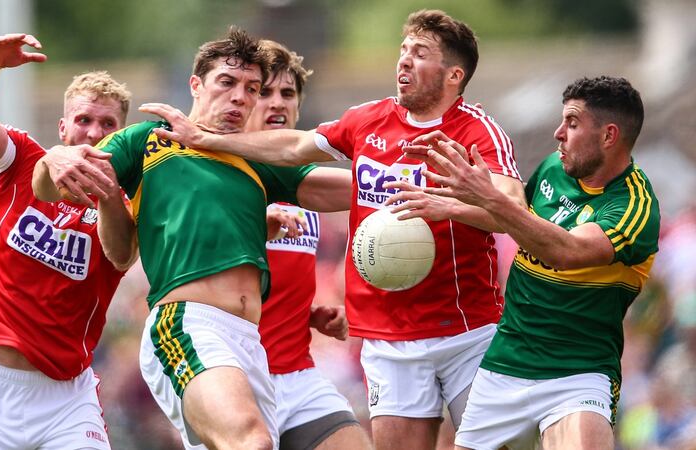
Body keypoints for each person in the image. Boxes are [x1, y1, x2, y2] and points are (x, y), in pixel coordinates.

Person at [140, 10, 525, 449]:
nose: (403, 61)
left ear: (454, 74)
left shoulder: (476, 131)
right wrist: (208, 140)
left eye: (419, 54)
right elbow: (294, 148)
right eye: (403, 51)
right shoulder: (365, 122)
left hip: (465, 331)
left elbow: (513, 208)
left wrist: (448, 203)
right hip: (375, 342)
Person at [34, 28, 350, 450]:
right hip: (187, 325)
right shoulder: (148, 140)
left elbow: (353, 187)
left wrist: (420, 181)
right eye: (228, 82)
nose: (241, 97)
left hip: (248, 342)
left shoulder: (254, 156)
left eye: (252, 88)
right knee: (251, 442)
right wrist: (53, 157)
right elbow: (46, 188)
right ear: (195, 85)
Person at [404, 76, 660, 450]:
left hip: (578, 372)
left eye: (572, 123)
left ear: (608, 136)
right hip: (505, 363)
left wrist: (490, 196)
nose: (558, 133)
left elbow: (568, 252)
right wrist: (453, 206)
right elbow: (516, 220)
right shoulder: (554, 169)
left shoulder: (636, 206)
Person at [0, 33, 135, 449]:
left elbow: (121, 256)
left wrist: (106, 194)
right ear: (63, 126)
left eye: (108, 125)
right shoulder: (24, 157)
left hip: (64, 397)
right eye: (83, 120)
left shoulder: (126, 200)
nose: (93, 132)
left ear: (122, 135)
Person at [250, 40, 372, 450]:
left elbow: (369, 189)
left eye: (288, 93)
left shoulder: (301, 183)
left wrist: (309, 315)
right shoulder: (221, 174)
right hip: (232, 377)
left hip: (297, 372)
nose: (277, 103)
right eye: (263, 92)